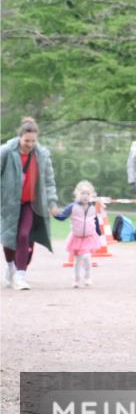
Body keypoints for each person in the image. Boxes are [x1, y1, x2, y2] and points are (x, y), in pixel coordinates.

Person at [1, 117, 59, 291]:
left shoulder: (42, 154)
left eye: (33, 141)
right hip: (8, 202)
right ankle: (10, 265)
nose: (30, 144)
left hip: (30, 203)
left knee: (25, 235)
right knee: (8, 239)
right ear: (20, 137)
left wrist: (52, 202)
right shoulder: (6, 151)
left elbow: (49, 181)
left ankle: (21, 275)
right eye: (27, 141)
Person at [53, 180, 101, 288]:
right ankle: (76, 279)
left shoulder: (93, 207)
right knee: (78, 260)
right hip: (76, 238)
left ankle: (88, 277)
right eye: (82, 193)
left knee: (87, 257)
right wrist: (55, 214)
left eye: (87, 194)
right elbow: (62, 216)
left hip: (89, 237)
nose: (85, 196)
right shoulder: (72, 206)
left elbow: (95, 220)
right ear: (77, 194)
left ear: (91, 195)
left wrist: (99, 233)